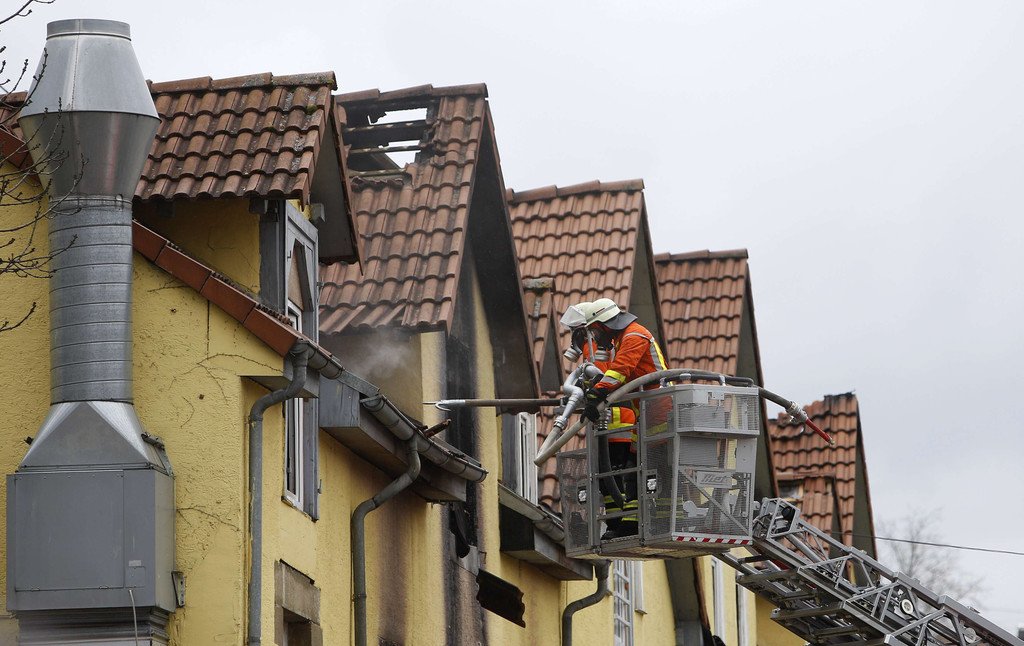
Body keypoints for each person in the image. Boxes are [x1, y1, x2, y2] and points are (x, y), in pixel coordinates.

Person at [559, 298, 671, 539]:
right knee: (636, 467)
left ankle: (645, 523)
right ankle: (631, 524)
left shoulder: (634, 336)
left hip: (659, 408)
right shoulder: (623, 338)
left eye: (594, 331)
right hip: (646, 410)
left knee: (653, 468)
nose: (595, 337)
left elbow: (619, 371)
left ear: (602, 325)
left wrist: (597, 394)